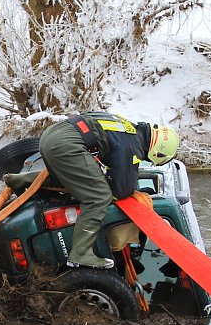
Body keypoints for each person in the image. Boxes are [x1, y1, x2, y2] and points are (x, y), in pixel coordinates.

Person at [38, 111, 179, 269]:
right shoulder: (131, 147)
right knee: (99, 197)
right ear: (158, 153)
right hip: (65, 145)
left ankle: (21, 182)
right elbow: (122, 190)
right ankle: (80, 253)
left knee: (68, 179)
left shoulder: (127, 129)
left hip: (51, 135)